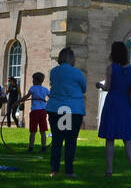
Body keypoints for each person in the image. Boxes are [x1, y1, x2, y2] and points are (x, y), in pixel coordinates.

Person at [96, 41, 131, 177]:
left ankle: (109, 170)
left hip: (112, 103)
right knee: (127, 138)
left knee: (110, 138)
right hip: (125, 103)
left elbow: (108, 87)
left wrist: (99, 85)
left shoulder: (111, 68)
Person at [46, 48, 86, 178]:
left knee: (57, 141)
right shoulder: (77, 73)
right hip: (73, 109)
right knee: (70, 141)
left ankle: (54, 169)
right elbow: (83, 88)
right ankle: (69, 170)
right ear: (71, 58)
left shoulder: (53, 72)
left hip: (56, 108)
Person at [25, 71, 50, 152]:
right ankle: (43, 148)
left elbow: (26, 96)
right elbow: (52, 98)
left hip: (35, 111)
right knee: (43, 131)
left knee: (33, 131)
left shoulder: (33, 88)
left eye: (33, 79)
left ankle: (31, 148)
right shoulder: (45, 89)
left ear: (35, 80)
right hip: (43, 111)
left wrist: (18, 102)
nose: (32, 81)